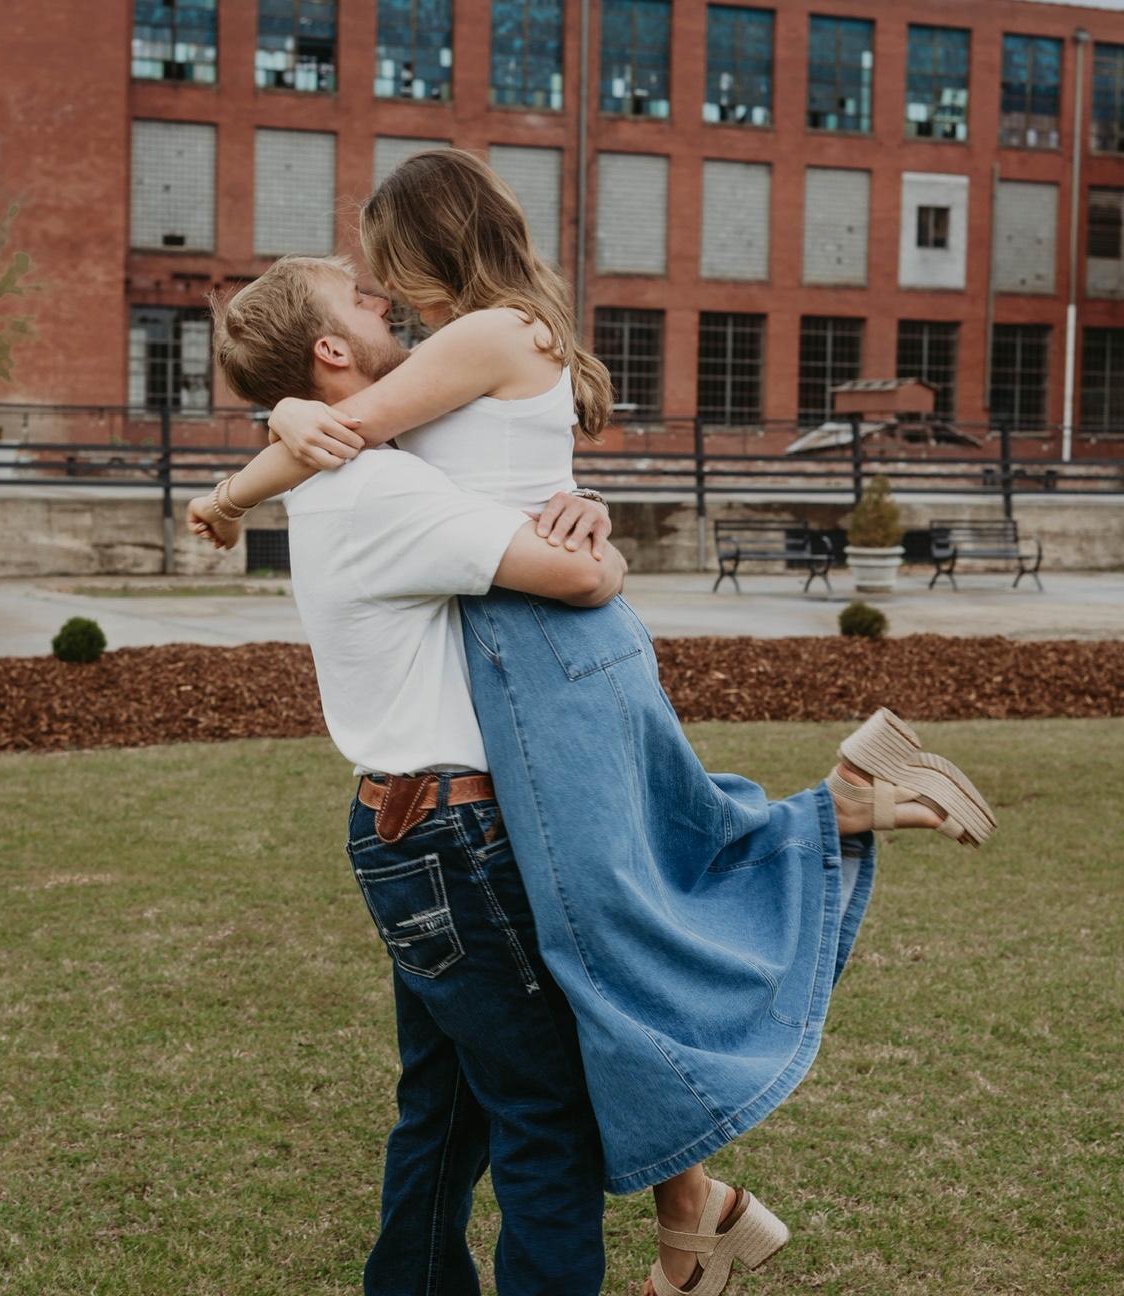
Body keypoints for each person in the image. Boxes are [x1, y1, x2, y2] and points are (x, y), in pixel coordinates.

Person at [190, 153, 995, 1296]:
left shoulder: (401, 433)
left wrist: (248, 463)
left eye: (383, 278)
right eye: (361, 301)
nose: (383, 300)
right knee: (577, 1040)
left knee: (494, 1068)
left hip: (432, 806)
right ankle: (701, 1193)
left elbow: (381, 435)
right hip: (465, 811)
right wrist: (596, 551)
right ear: (329, 352)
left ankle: (691, 1207)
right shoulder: (384, 476)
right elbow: (564, 567)